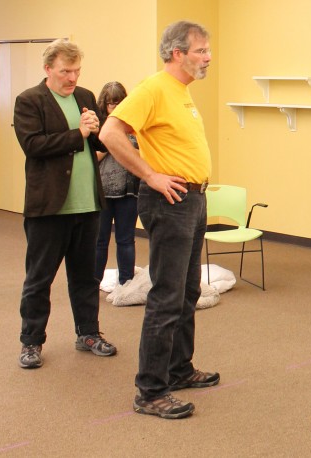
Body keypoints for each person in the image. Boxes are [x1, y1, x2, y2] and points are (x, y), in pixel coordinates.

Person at [99, 20, 217, 420]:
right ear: (177, 53)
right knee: (166, 296)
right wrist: (149, 175)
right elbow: (110, 133)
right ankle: (150, 391)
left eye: (207, 50)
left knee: (186, 291)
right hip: (169, 201)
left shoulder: (181, 92)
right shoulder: (153, 88)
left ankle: (179, 369)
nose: (208, 57)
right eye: (201, 50)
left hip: (192, 198)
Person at [13, 38, 117, 369]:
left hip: (88, 205)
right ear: (48, 69)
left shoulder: (86, 97)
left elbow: (97, 140)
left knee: (86, 276)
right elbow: (34, 145)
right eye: (65, 72)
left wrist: (103, 130)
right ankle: (31, 342)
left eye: (76, 71)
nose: (72, 78)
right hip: (49, 208)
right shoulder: (30, 100)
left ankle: (88, 333)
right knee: (39, 279)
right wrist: (80, 134)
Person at [94, 81, 140, 288]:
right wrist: (111, 142)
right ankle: (93, 282)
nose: (113, 107)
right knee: (99, 241)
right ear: (103, 104)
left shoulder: (133, 126)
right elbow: (91, 158)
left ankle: (126, 282)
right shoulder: (96, 127)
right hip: (101, 192)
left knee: (125, 239)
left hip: (128, 191)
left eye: (118, 103)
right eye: (110, 104)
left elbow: (142, 156)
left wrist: (123, 145)